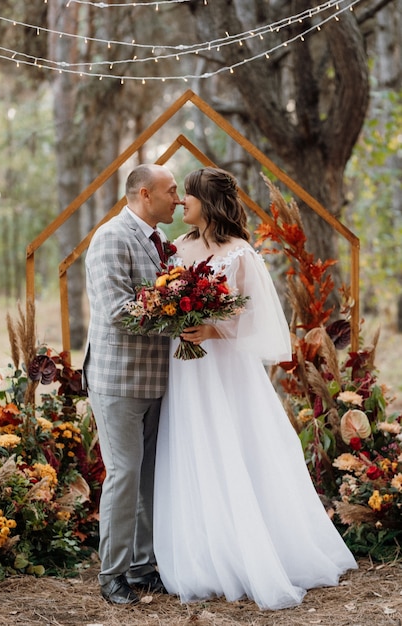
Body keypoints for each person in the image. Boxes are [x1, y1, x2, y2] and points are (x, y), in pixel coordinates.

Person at [153, 167, 357, 610]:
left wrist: (213, 329)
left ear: (206, 203)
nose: (181, 203)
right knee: (194, 447)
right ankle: (204, 556)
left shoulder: (239, 253)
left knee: (238, 446)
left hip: (225, 370)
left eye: (188, 196)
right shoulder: (175, 248)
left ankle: (259, 549)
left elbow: (255, 319)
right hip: (185, 371)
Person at [83, 163, 181, 605]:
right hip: (118, 379)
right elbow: (119, 311)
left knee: (148, 478)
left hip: (158, 380)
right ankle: (112, 574)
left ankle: (143, 566)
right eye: (171, 191)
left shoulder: (161, 243)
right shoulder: (110, 238)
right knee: (123, 475)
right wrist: (182, 320)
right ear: (145, 194)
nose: (178, 199)